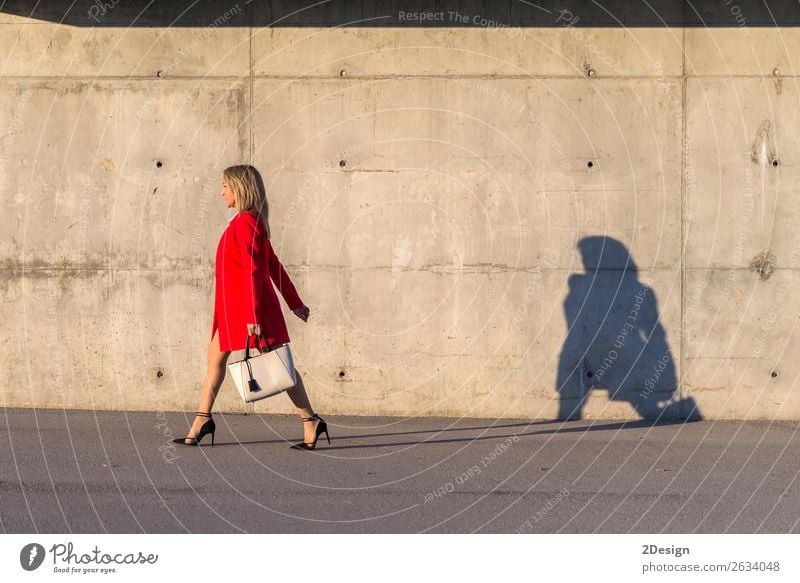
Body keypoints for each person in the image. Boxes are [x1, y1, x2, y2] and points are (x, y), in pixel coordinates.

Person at [173, 164, 330, 450]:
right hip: (232, 310)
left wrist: (253, 316)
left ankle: (310, 420)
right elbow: (273, 265)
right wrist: (295, 303)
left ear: (239, 189)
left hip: (249, 311)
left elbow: (255, 271)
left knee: (281, 368)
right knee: (215, 360)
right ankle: (201, 420)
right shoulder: (244, 221)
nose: (221, 192)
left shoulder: (247, 223)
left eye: (225, 186)